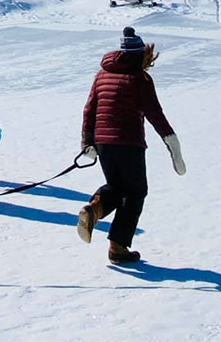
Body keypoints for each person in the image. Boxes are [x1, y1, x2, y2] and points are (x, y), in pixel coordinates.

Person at [76, 27, 185, 264]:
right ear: (138, 56)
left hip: (103, 142)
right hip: (129, 143)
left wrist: (88, 141)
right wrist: (171, 141)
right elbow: (154, 113)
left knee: (116, 187)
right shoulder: (140, 79)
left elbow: (89, 108)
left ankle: (93, 210)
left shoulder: (101, 75)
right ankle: (118, 247)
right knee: (135, 193)